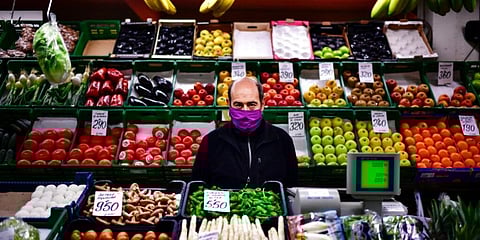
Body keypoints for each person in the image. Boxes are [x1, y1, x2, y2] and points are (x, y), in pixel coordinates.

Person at [192, 77, 298, 188]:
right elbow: (198, 187)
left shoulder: (282, 140)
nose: (245, 111)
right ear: (229, 104)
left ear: (262, 105)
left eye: (252, 104)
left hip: (270, 205)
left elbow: (291, 188)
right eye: (238, 105)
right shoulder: (211, 141)